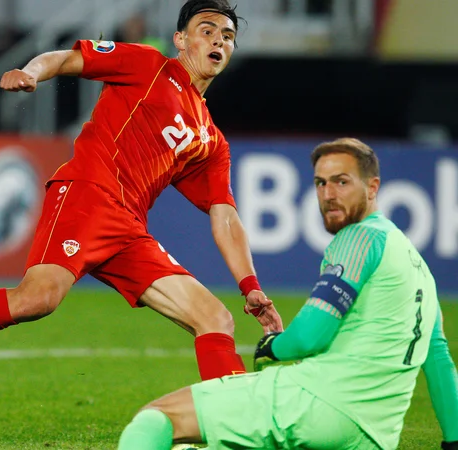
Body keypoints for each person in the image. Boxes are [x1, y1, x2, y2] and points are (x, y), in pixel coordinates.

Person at [0, 0, 284, 419]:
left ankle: (232, 426)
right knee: (37, 299)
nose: (218, 41)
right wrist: (31, 72)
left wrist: (250, 286)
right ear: (181, 39)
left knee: (215, 318)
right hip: (87, 195)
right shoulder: (149, 67)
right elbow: (65, 58)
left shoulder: (211, 139)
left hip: (129, 229)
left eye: (227, 36)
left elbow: (224, 216)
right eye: (206, 30)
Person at [117, 138, 458, 450]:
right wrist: (452, 441)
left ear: (373, 188)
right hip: (375, 436)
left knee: (156, 418)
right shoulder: (417, 267)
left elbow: (309, 338)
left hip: (318, 404)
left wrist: (272, 347)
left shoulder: (358, 238)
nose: (328, 194)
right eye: (320, 183)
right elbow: (438, 361)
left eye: (342, 182)